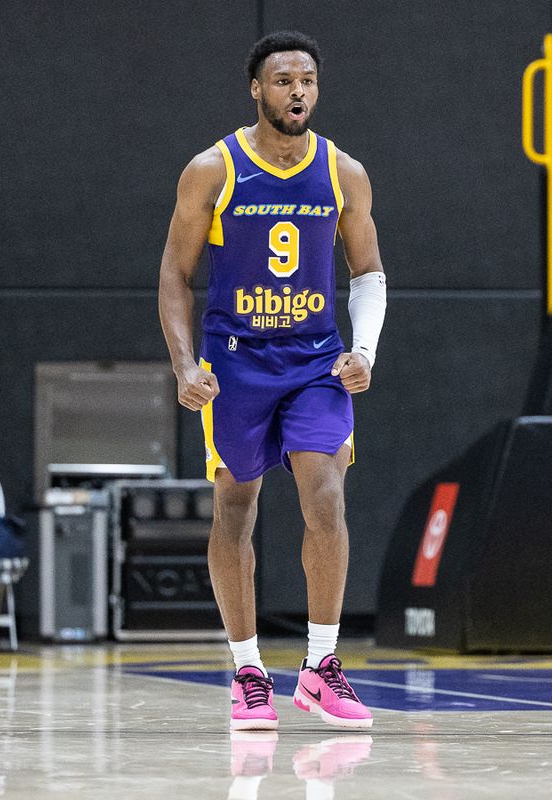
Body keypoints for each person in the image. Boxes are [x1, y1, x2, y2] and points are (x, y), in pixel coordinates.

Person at [158, 31, 387, 731]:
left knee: (325, 493)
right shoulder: (213, 169)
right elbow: (175, 274)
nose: (298, 92)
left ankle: (321, 667)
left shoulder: (343, 172)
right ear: (256, 89)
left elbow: (369, 272)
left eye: (308, 80)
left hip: (315, 360)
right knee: (236, 508)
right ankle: (247, 669)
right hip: (236, 362)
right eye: (284, 80)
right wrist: (184, 364)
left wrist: (364, 351)